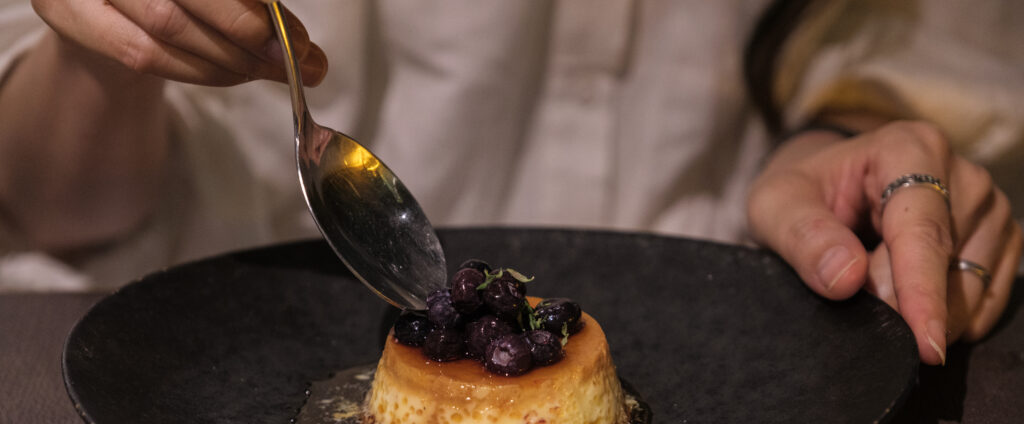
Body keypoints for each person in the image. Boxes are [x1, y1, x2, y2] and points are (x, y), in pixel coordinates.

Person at [0, 0, 1021, 367]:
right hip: (231, 331)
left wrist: (836, 141)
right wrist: (110, 48)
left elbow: (908, 35)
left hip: (728, 328)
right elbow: (53, 202)